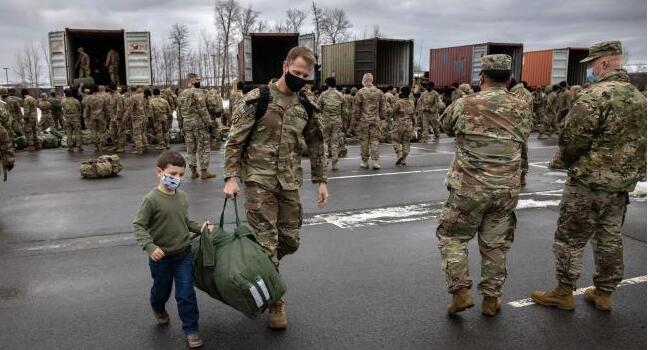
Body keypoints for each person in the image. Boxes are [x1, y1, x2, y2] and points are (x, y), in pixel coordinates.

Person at [531, 41, 647, 312]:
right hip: (621, 183)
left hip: (589, 182)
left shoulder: (595, 96)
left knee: (570, 237)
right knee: (610, 236)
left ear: (605, 63)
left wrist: (563, 162)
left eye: (593, 64)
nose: (591, 70)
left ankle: (563, 291)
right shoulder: (639, 97)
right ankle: (604, 293)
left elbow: (572, 139)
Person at [223, 46, 329, 330]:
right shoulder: (258, 100)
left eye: (305, 76)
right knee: (268, 243)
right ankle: (276, 304)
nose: (301, 79)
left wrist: (321, 181)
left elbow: (317, 144)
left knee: (290, 240)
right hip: (259, 182)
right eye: (296, 73)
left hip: (289, 182)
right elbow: (235, 142)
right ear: (285, 66)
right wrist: (231, 177)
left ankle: (259, 262)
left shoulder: (306, 105)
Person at [437, 54, 532, 317]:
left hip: (469, 188)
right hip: (505, 189)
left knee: (452, 237)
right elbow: (523, 139)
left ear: (481, 78)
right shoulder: (523, 106)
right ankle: (491, 300)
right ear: (510, 79)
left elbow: (444, 126)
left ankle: (460, 293)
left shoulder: (464, 103)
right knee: (495, 245)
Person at [132, 151, 210, 348]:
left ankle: (191, 329)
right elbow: (138, 226)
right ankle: (158, 308)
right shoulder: (151, 200)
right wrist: (150, 246)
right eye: (173, 174)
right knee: (161, 291)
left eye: (181, 175)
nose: (177, 178)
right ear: (159, 172)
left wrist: (201, 227)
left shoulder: (182, 197)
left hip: (183, 254)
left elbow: (185, 221)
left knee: (186, 293)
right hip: (161, 258)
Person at [177, 74, 216, 179]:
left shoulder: (181, 94)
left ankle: (193, 171)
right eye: (198, 80)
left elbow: (179, 112)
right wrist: (209, 123)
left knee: (190, 149)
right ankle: (204, 171)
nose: (199, 82)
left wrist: (181, 126)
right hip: (199, 125)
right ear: (193, 81)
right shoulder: (198, 92)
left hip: (187, 124)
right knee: (203, 147)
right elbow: (202, 109)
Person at [351, 73, 386, 169]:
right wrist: (382, 118)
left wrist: (355, 122)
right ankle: (375, 162)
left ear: (364, 80)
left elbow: (356, 109)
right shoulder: (379, 92)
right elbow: (383, 108)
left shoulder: (360, 92)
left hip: (364, 121)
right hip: (375, 120)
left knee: (364, 141)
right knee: (375, 141)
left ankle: (365, 161)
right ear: (372, 80)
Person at [318, 77, 346, 171]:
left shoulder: (323, 94)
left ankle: (325, 161)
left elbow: (318, 108)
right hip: (337, 121)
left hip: (325, 121)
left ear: (327, 84)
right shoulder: (340, 95)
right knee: (335, 142)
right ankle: (334, 163)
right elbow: (344, 111)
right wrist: (342, 120)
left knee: (324, 141)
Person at [391, 86, 416, 166]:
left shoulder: (398, 102)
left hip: (399, 124)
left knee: (395, 140)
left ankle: (399, 153)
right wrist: (414, 125)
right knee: (406, 142)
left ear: (402, 92)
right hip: (409, 124)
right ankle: (403, 160)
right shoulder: (412, 102)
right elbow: (413, 115)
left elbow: (393, 112)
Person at [83, 86, 108, 153]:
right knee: (102, 131)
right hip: (101, 116)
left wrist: (86, 117)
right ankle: (101, 146)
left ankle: (96, 146)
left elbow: (87, 109)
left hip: (92, 116)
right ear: (98, 90)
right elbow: (106, 108)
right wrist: (107, 116)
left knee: (93, 131)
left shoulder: (89, 98)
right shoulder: (102, 97)